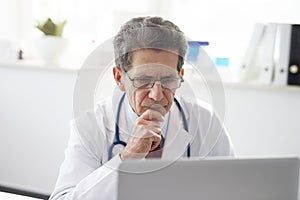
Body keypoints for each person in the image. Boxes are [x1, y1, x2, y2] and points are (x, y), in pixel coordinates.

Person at [49, 16, 234, 200]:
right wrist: (127, 157)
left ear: (181, 76)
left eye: (169, 80)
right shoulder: (91, 127)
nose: (157, 95)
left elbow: (236, 190)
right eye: (143, 80)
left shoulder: (206, 122)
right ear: (119, 78)